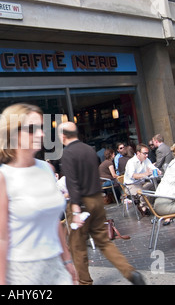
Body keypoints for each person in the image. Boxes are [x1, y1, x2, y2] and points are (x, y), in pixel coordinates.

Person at [0, 103, 77, 285]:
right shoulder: (1, 179)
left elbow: (53, 221)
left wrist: (67, 260)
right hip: (23, 271)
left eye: (41, 128)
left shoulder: (47, 169)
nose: (41, 134)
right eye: (32, 129)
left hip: (56, 265)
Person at [58, 121, 145, 285]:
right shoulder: (89, 150)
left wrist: (76, 210)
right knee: (104, 241)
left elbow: (73, 183)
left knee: (77, 247)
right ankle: (130, 273)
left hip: (81, 203)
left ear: (63, 136)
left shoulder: (68, 153)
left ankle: (84, 282)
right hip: (97, 200)